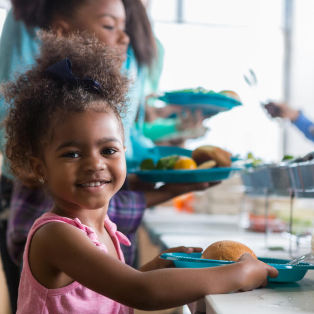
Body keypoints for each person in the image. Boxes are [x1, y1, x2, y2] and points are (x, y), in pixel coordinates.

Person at [2, 31, 278, 314]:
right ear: (40, 168)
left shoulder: (104, 229)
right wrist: (239, 273)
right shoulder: (56, 235)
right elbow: (139, 292)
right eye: (72, 153)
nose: (94, 163)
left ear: (124, 150)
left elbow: (112, 295)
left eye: (108, 150)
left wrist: (157, 267)